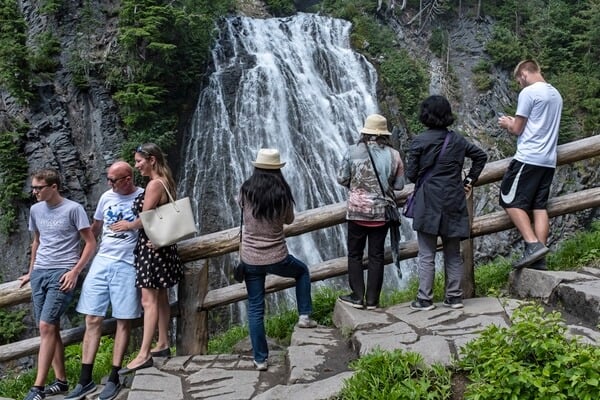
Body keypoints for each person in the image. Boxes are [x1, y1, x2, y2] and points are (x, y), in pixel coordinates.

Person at [64, 161, 144, 400]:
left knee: (123, 319)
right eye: (108, 179)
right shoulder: (106, 196)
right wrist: (72, 260)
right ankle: (85, 379)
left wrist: (133, 225)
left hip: (128, 263)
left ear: (127, 179)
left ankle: (114, 376)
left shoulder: (144, 195)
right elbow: (95, 229)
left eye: (113, 180)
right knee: (92, 317)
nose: (109, 184)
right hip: (102, 261)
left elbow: (155, 221)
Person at [18, 169, 96, 400]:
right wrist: (31, 272)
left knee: (45, 326)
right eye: (33, 188)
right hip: (40, 272)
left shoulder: (74, 209)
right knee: (50, 329)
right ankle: (61, 381)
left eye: (38, 188)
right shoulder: (35, 209)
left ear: (53, 187)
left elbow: (90, 243)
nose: (34, 192)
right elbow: (37, 241)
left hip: (62, 273)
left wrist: (75, 271)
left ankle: (37, 388)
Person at [238, 148, 317, 371]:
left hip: (251, 258)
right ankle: (304, 315)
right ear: (277, 170)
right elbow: (289, 220)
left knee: (255, 307)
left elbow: (241, 210)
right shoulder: (282, 193)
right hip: (277, 257)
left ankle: (260, 359)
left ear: (256, 167)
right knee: (301, 271)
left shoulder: (245, 190)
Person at [406, 95, 487, 311]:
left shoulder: (419, 141)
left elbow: (412, 175)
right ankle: (454, 297)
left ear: (425, 115)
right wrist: (469, 180)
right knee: (452, 252)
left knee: (426, 253)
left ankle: (425, 299)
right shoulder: (457, 140)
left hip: (428, 200)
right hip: (453, 199)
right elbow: (480, 156)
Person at [118, 143, 183, 375]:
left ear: (152, 159)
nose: (137, 166)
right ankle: (163, 343)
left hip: (151, 249)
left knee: (149, 301)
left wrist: (127, 225)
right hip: (163, 246)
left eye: (139, 161)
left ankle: (144, 354)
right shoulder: (166, 179)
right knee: (162, 296)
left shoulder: (155, 184)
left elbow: (145, 218)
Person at [498, 59, 562, 270]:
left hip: (529, 157)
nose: (520, 85)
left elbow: (517, 128)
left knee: (508, 198)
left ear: (524, 73)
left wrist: (508, 123)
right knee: (538, 206)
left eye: (519, 80)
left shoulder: (529, 92)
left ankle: (532, 244)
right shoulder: (555, 94)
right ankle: (539, 257)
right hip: (548, 160)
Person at [337, 114, 405, 310]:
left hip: (357, 212)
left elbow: (342, 178)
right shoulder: (394, 155)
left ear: (365, 132)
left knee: (355, 254)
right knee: (376, 256)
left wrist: (357, 186)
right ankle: (373, 300)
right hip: (381, 213)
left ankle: (357, 297)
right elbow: (400, 185)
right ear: (384, 134)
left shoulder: (352, 151)